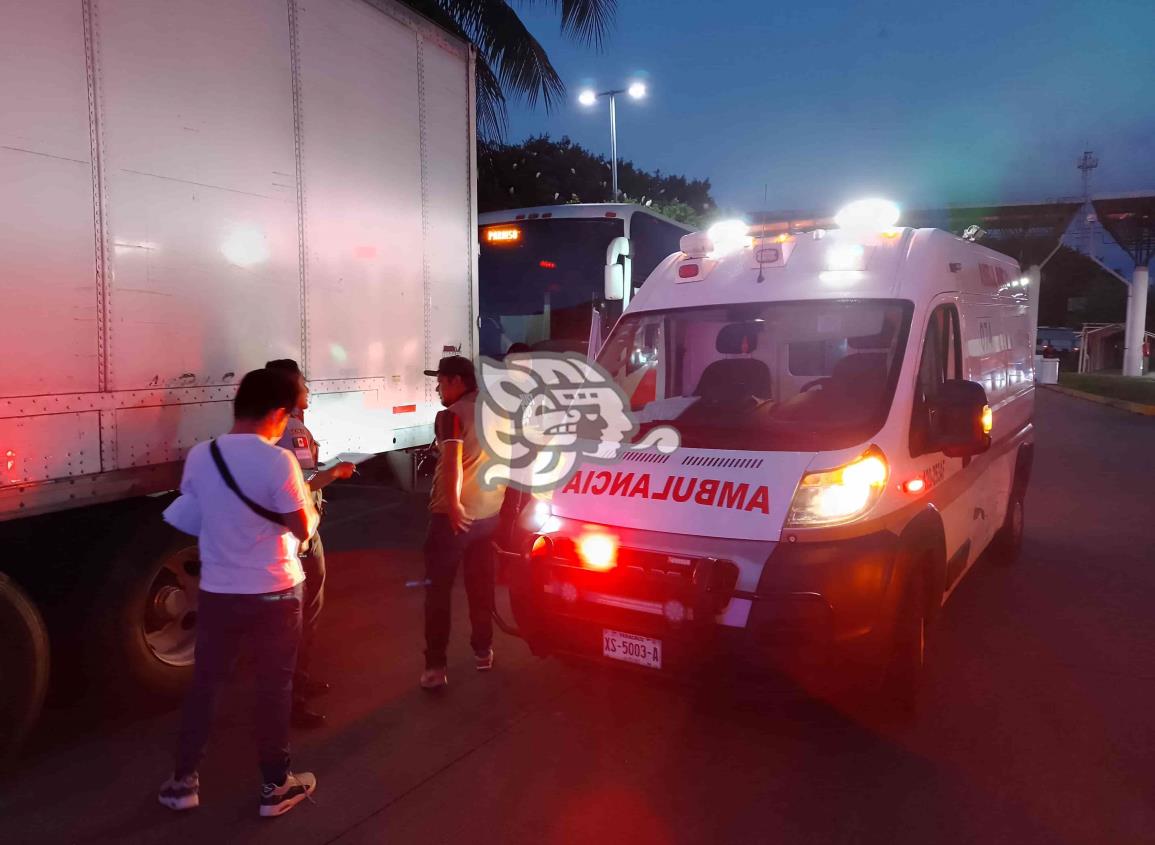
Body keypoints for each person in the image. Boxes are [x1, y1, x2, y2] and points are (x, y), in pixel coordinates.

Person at [157, 368, 320, 817]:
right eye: (289, 414)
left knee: (205, 686)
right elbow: (302, 528)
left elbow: (191, 517)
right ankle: (274, 786)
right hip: (275, 590)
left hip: (218, 591)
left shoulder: (200, 456)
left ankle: (182, 783)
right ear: (276, 412)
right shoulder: (278, 462)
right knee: (273, 686)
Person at [265, 359, 356, 729]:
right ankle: (292, 698)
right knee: (303, 615)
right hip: (300, 534)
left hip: (275, 533)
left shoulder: (268, 429)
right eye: (303, 383)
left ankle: (294, 686)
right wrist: (337, 471)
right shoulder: (294, 429)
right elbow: (304, 482)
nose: (309, 389)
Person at [419, 356, 507, 689]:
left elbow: (453, 462)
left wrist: (454, 505)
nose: (438, 388)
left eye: (440, 381)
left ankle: (435, 667)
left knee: (438, 592)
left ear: (457, 381)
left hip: (453, 518)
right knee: (480, 586)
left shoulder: (450, 416)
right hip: (489, 514)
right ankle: (483, 650)